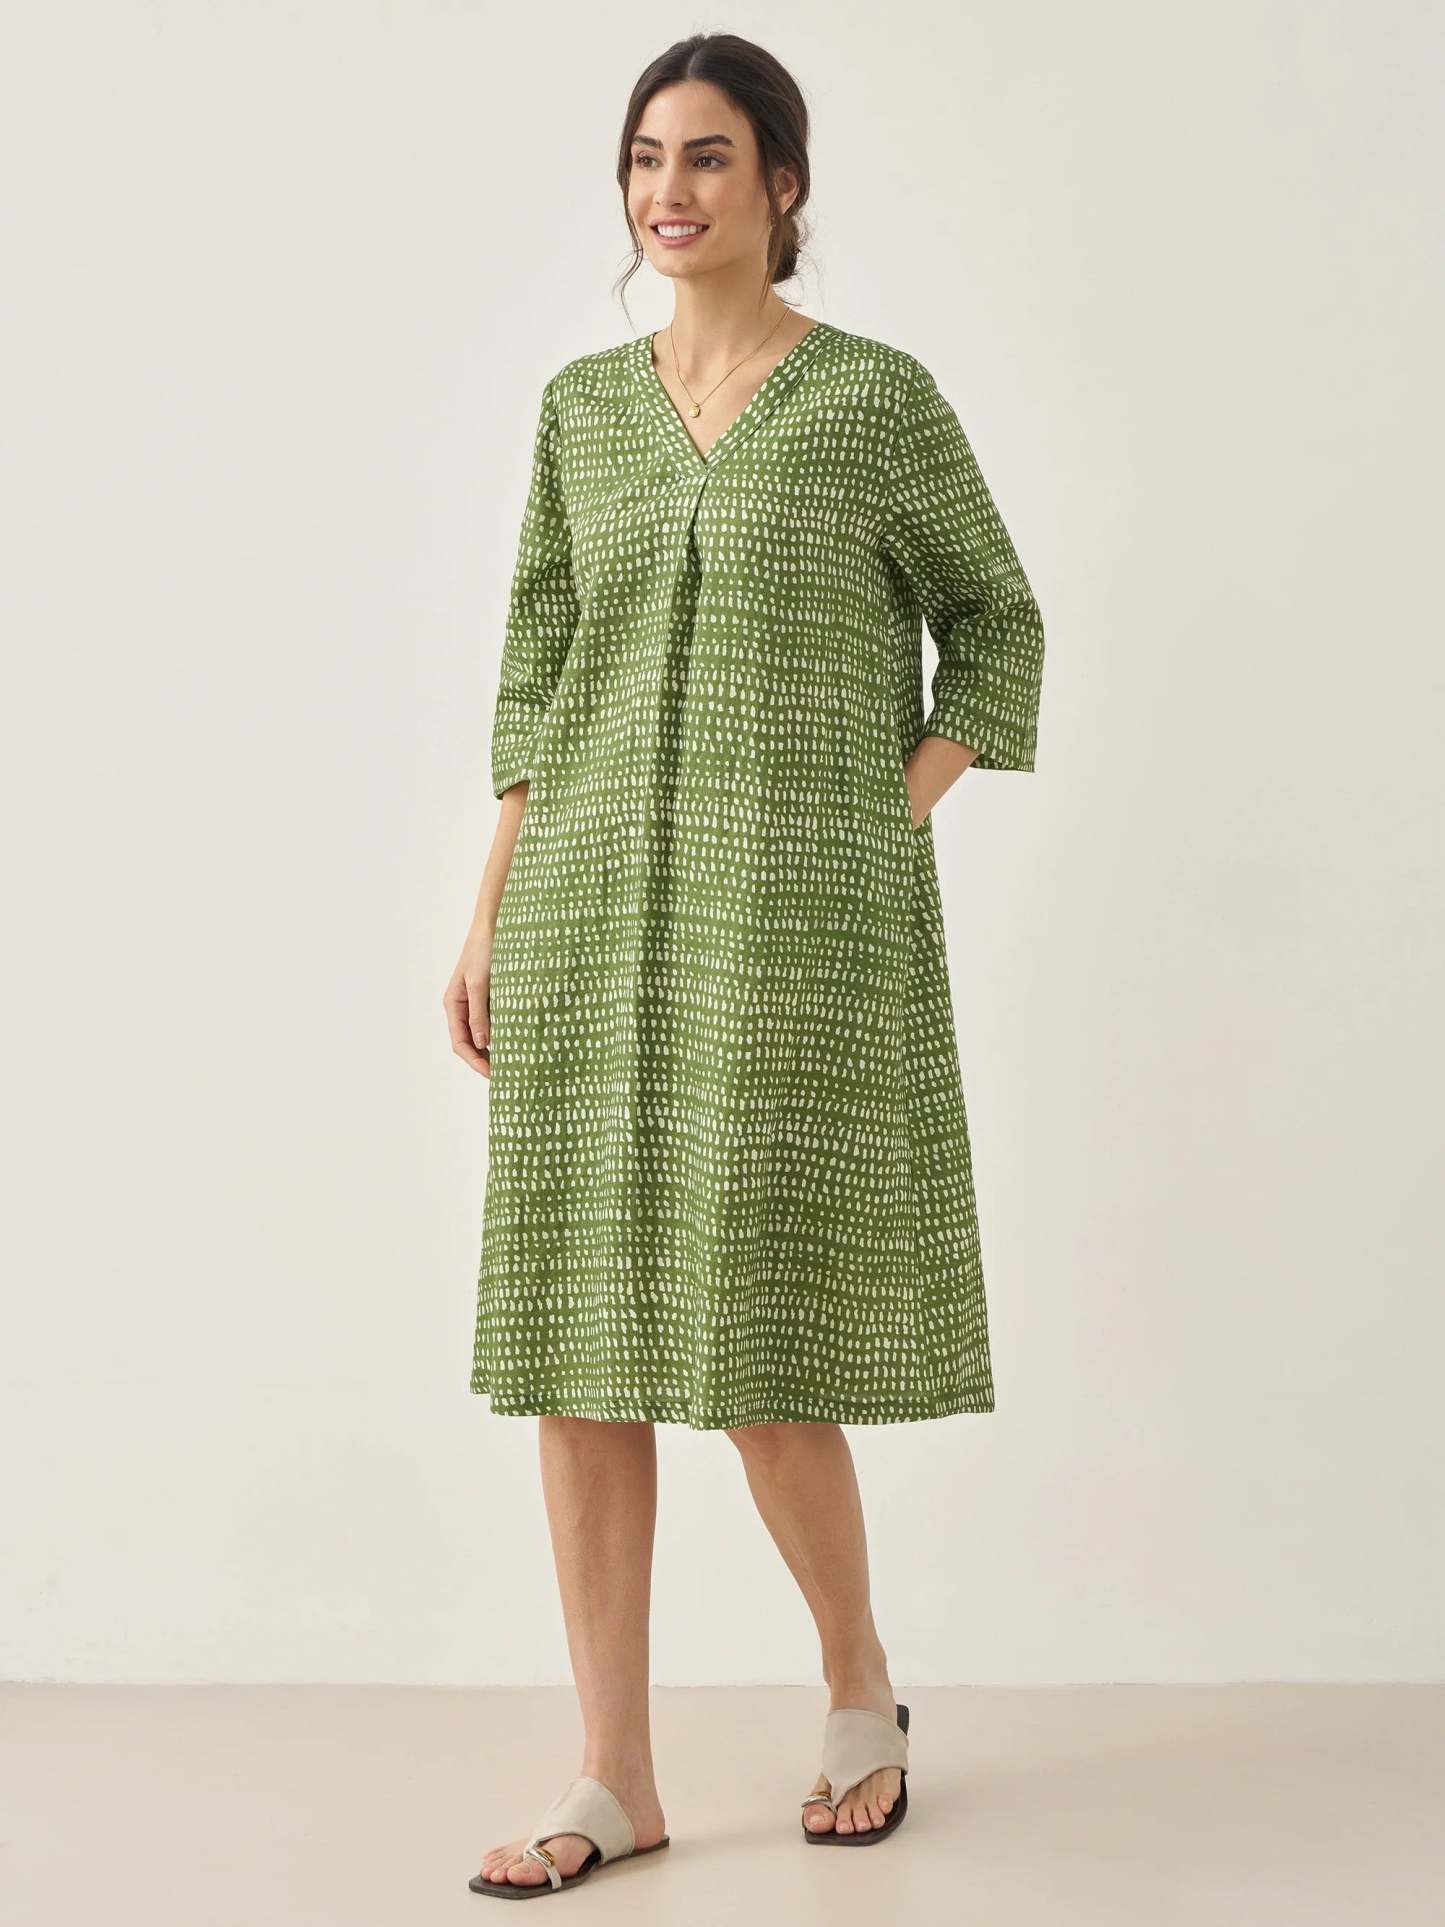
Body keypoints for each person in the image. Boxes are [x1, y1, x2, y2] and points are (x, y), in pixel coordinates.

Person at [443, 31, 1046, 1899]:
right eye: (645, 158)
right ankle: (612, 1774)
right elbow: (538, 668)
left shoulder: (871, 401)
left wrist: (883, 812)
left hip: (795, 928)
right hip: (584, 908)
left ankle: (856, 1685)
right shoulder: (579, 410)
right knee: (577, 1349)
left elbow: (998, 628)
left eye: (708, 157)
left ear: (782, 182)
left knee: (765, 1339)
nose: (669, 192)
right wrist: (488, 908)